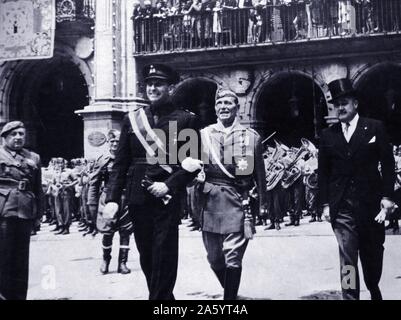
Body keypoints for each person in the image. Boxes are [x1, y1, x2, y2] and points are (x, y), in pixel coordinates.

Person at [104, 64, 199, 300]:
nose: (153, 88)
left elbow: (195, 162)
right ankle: (164, 299)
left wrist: (169, 184)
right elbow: (120, 163)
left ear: (171, 87)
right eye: (149, 84)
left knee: (164, 252)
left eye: (159, 83)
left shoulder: (186, 119)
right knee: (146, 253)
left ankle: (159, 301)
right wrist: (112, 199)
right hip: (138, 194)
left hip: (166, 195)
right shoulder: (132, 119)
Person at [318, 78, 396, 300]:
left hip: (371, 206)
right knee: (347, 258)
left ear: (355, 104)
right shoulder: (328, 135)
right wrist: (325, 204)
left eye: (344, 103)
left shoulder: (374, 127)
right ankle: (350, 297)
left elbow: (388, 164)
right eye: (336, 104)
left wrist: (388, 196)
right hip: (342, 207)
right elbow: (323, 172)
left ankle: (373, 286)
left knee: (372, 256)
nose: (339, 108)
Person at [198, 89, 267, 300]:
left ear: (237, 108)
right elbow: (192, 169)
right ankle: (233, 294)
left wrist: (263, 204)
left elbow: (260, 175)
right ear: (215, 108)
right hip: (210, 201)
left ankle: (229, 301)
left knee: (233, 256)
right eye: (219, 103)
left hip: (238, 201)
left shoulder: (251, 138)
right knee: (214, 258)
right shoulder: (204, 135)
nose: (223, 107)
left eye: (228, 103)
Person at [0, 121, 43, 300]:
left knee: (21, 260)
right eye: (13, 134)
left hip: (25, 211)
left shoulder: (33, 157)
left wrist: (38, 215)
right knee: (4, 258)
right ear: (4, 138)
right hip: (3, 211)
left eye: (21, 134)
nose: (18, 137)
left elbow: (38, 189)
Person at [88, 130, 133, 275]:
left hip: (125, 198)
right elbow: (94, 183)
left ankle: (122, 263)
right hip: (107, 198)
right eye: (111, 141)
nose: (114, 144)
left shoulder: (129, 159)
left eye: (117, 141)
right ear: (108, 143)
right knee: (107, 232)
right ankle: (105, 260)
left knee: (125, 231)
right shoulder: (103, 160)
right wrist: (92, 204)